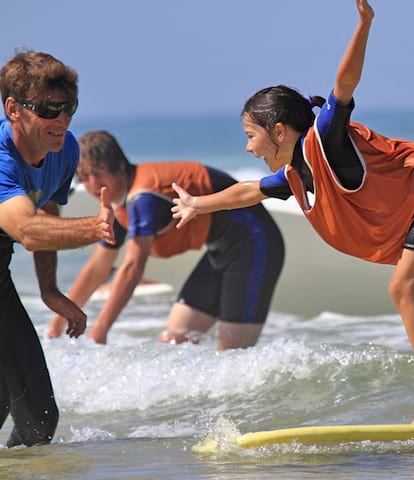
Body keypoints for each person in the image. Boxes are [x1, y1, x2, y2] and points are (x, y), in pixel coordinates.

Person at [171, 0, 414, 424]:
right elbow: (248, 191)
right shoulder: (299, 174)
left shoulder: (326, 139)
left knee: (404, 290)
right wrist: (196, 204)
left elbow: (344, 84)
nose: (248, 147)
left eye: (250, 136)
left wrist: (365, 25)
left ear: (279, 131)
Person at [47, 130, 285, 350]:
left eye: (98, 172)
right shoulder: (122, 203)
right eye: (84, 176)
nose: (92, 184)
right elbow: (97, 268)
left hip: (255, 245)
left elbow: (132, 268)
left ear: (118, 166)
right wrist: (59, 321)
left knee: (232, 354)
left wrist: (100, 329)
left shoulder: (143, 197)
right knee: (173, 341)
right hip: (220, 253)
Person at [0, 51, 114, 447]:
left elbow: (47, 206)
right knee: (28, 408)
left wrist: (49, 290)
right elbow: (28, 230)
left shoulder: (62, 150)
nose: (62, 119)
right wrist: (95, 227)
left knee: (36, 414)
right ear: (14, 109)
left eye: (69, 107)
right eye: (49, 109)